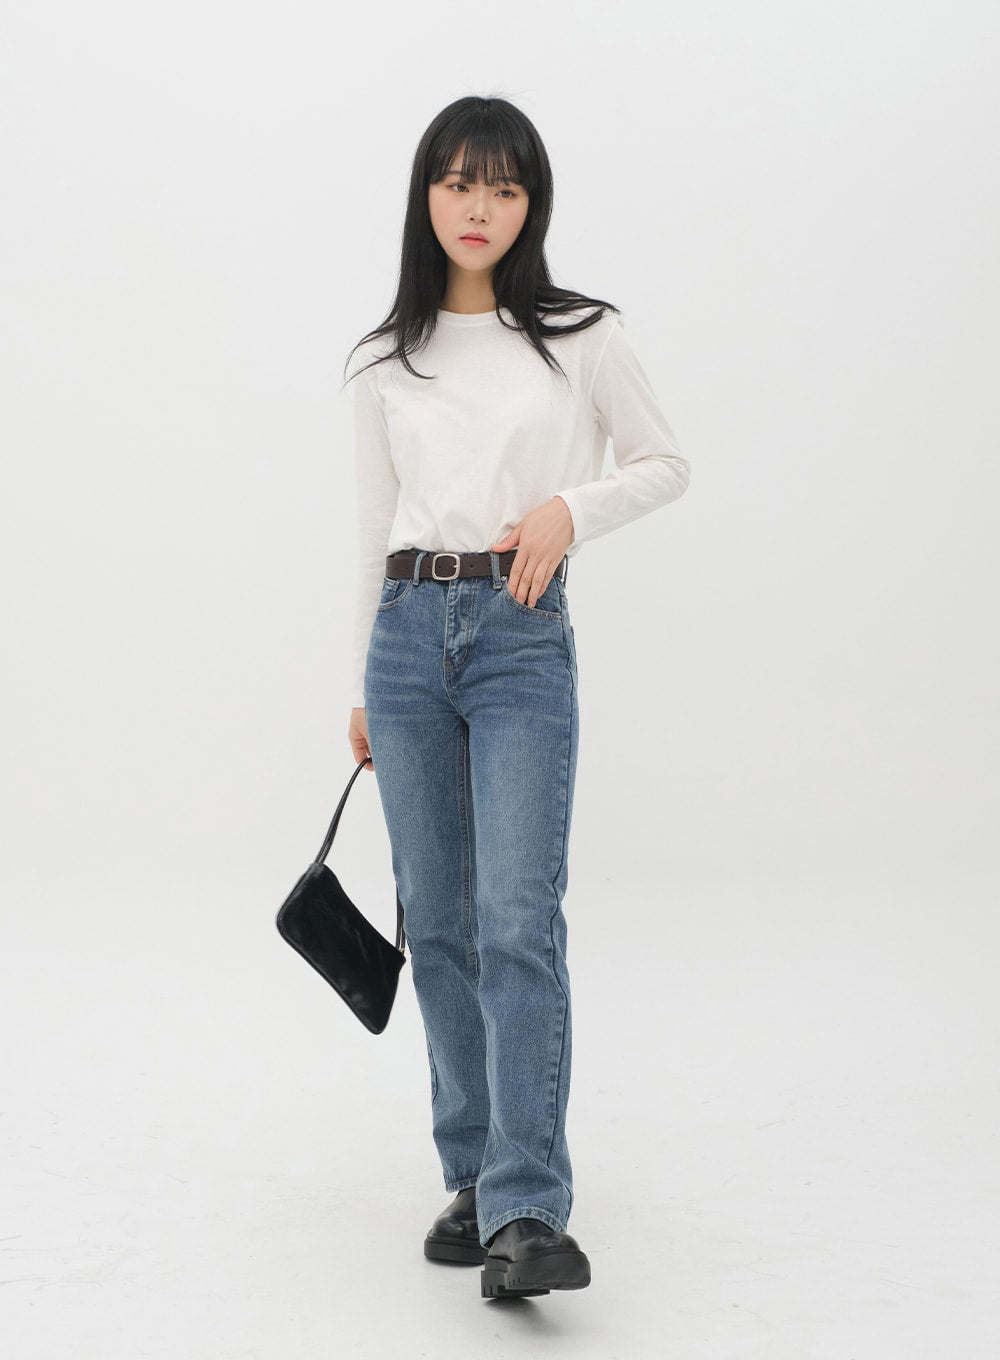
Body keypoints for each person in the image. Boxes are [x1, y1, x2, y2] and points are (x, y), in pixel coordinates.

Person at [342, 94, 690, 1299]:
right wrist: (358, 680)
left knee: (515, 918)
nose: (477, 206)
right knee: (436, 920)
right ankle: (473, 1176)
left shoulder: (582, 334)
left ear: (531, 201)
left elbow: (663, 461)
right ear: (425, 196)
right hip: (403, 638)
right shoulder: (385, 357)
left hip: (517, 633)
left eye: (501, 185)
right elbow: (369, 530)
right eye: (456, 182)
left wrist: (566, 511)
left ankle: (530, 1205)